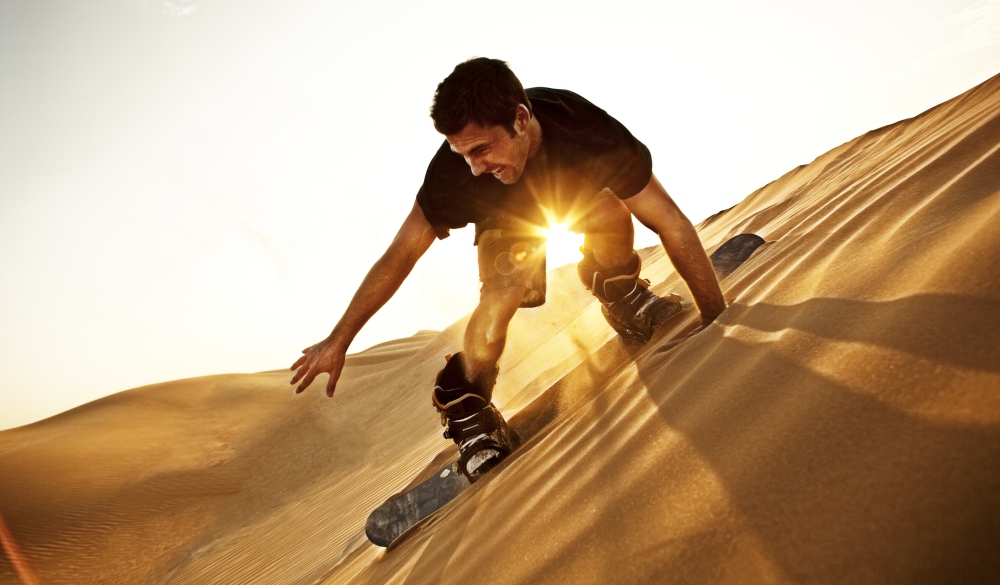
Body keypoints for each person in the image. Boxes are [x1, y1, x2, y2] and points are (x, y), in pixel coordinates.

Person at [290, 57, 726, 482]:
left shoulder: (585, 128)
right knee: (502, 292)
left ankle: (619, 293)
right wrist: (339, 338)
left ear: (520, 118)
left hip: (570, 201)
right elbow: (400, 253)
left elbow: (666, 217)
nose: (475, 167)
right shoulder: (454, 175)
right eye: (462, 154)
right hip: (507, 225)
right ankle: (466, 403)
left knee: (613, 212)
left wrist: (718, 318)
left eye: (481, 149)